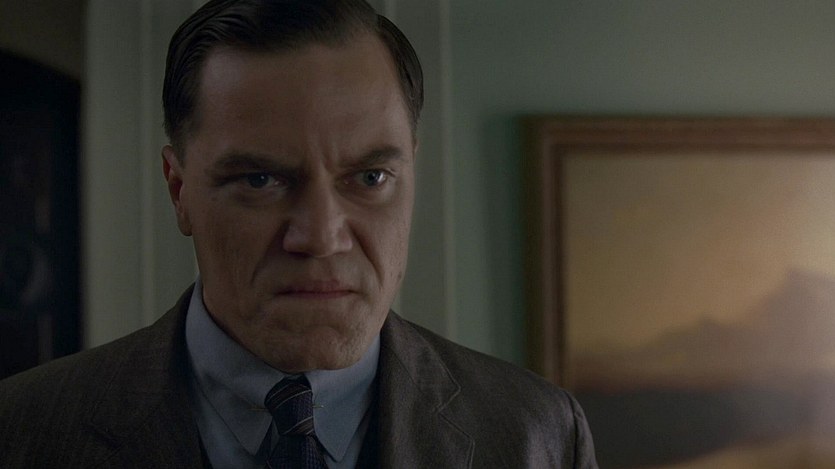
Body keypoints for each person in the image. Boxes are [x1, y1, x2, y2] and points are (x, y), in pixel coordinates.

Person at [0, 0, 597, 467]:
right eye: (260, 179)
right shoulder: (21, 433)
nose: (321, 237)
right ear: (179, 191)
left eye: (370, 177)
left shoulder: (538, 435)